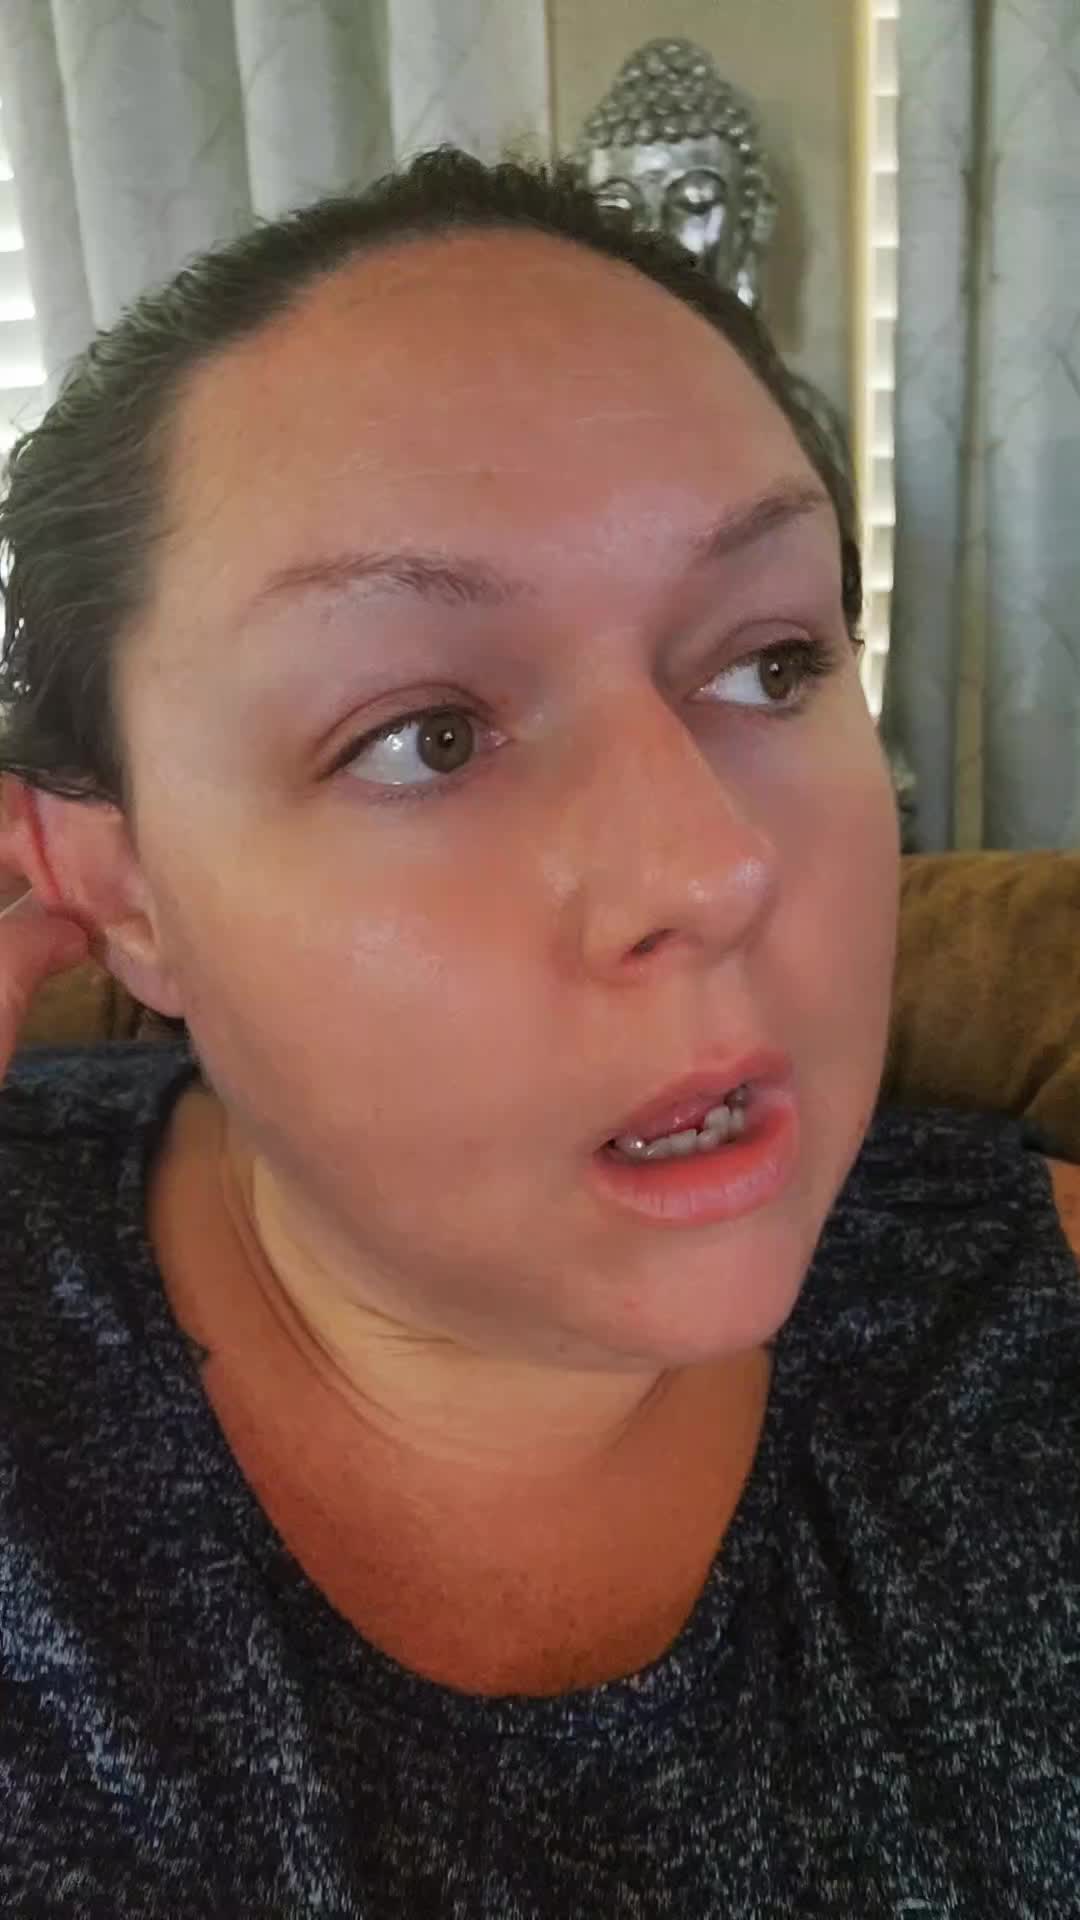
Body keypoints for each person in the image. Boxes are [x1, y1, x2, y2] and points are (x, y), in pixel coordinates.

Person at [0, 148, 1076, 1918]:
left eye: (773, 662)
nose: (713, 869)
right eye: (424, 735)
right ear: (112, 886)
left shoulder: (1027, 1334)